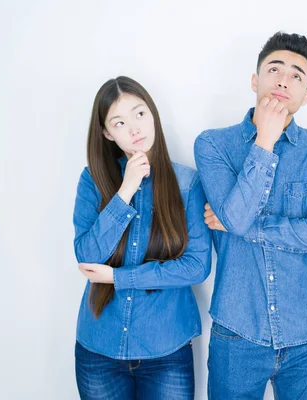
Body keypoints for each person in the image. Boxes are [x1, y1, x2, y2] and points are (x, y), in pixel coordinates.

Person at [194, 32, 307, 399]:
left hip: (306, 337)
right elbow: (236, 220)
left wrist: (238, 223)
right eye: (274, 69)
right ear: (255, 79)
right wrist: (265, 141)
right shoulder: (213, 145)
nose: (283, 80)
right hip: (238, 334)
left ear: (306, 95)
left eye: (297, 76)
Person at [73, 76, 211, 399]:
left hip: (166, 351)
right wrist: (124, 192)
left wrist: (119, 278)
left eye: (139, 114)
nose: (134, 129)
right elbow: (87, 254)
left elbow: (196, 266)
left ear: (152, 114)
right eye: (119, 122)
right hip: (99, 350)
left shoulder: (187, 184)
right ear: (107, 133)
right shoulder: (93, 180)